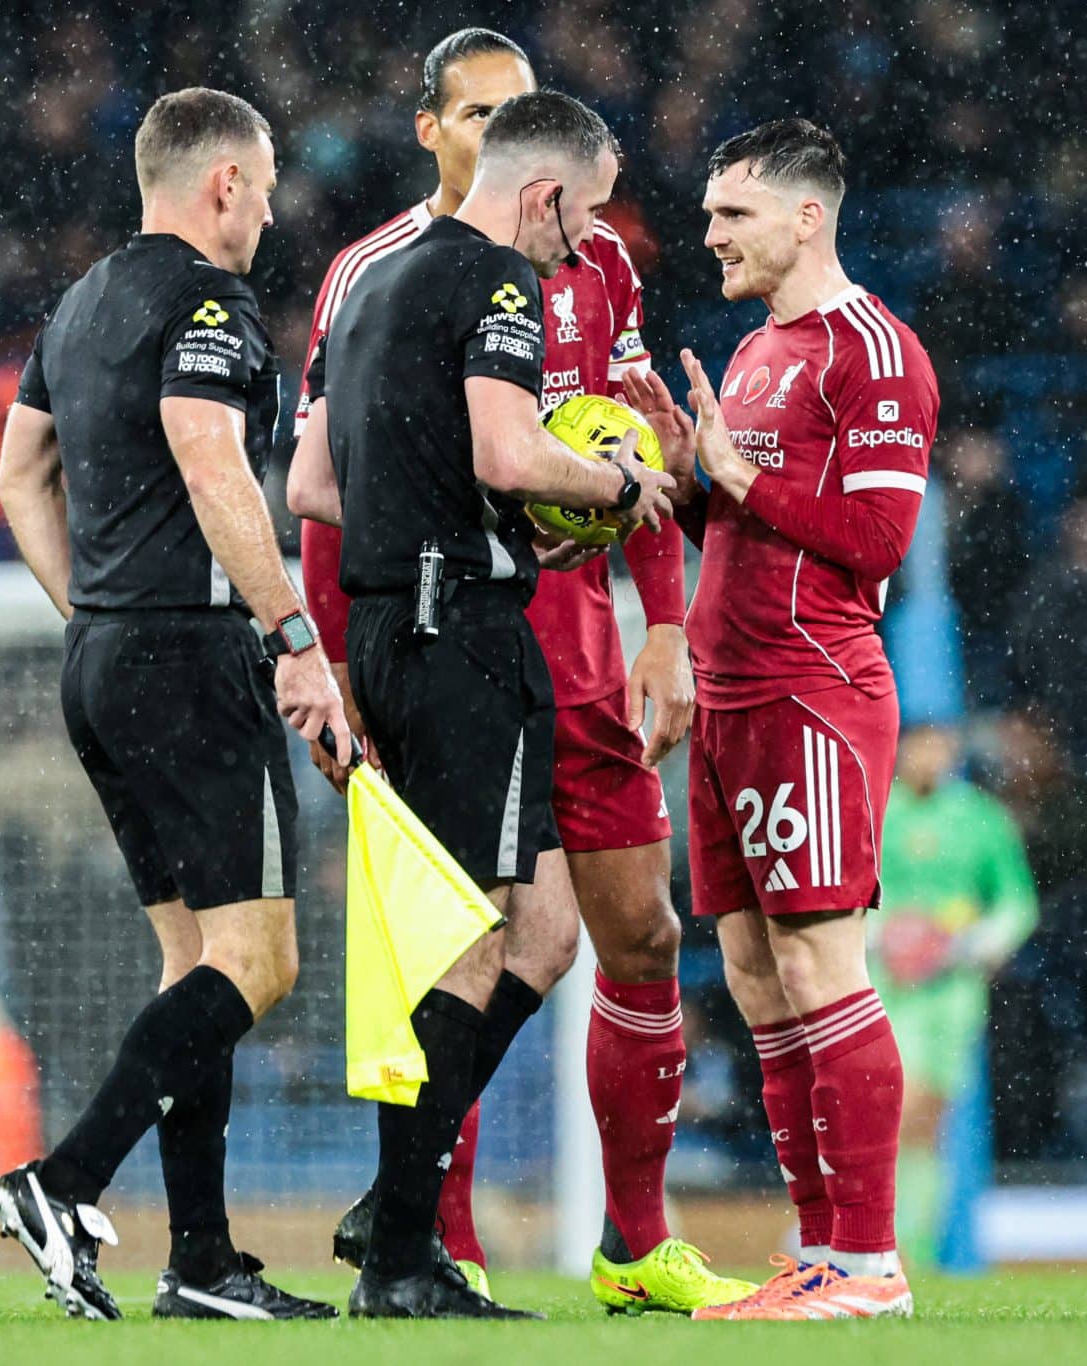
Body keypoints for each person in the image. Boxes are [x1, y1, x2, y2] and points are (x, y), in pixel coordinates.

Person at [294, 27, 747, 1314]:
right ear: (432, 128)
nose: (494, 128)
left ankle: (629, 1240)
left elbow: (645, 435)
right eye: (474, 110)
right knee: (469, 939)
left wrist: (663, 621)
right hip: (454, 637)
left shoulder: (594, 262)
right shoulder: (374, 272)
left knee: (622, 933)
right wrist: (329, 666)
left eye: (515, 108)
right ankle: (426, 1239)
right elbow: (332, 495)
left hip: (572, 652)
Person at [0, 87, 344, 1322]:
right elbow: (208, 455)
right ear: (226, 184)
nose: (272, 207)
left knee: (191, 959)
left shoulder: (82, 301)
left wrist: (88, 606)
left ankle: (200, 1258)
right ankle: (61, 1179)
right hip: (190, 653)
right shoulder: (208, 300)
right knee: (263, 959)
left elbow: (11, 473)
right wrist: (293, 635)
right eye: (269, 182)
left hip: (106, 654)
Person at [621, 118, 940, 1319]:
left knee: (818, 962)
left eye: (731, 215)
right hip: (733, 692)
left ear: (807, 217)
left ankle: (865, 1263)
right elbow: (751, 541)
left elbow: (873, 546)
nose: (708, 234)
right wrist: (690, 476)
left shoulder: (874, 352)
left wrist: (739, 476)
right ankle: (815, 1249)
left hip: (814, 689)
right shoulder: (756, 352)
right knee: (754, 975)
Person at [870, 724, 1037, 1266]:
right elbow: (845, 890)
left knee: (924, 1116)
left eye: (940, 747)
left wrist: (960, 945)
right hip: (880, 981)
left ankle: (909, 1244)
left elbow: (1016, 905)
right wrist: (883, 935)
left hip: (950, 992)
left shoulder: (982, 820)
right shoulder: (872, 810)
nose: (929, 757)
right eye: (920, 746)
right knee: (885, 1109)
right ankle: (879, 1239)